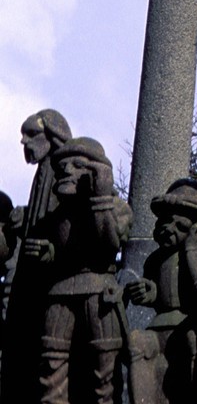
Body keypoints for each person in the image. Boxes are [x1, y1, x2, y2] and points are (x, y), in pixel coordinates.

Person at [24, 135, 132, 404]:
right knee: (51, 365)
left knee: (105, 369)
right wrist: (47, 252)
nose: (65, 170)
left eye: (75, 165)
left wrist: (100, 198)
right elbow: (61, 253)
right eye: (62, 166)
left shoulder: (116, 208)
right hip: (60, 294)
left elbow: (109, 245)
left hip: (99, 293)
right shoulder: (58, 216)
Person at [1, 108, 73, 404]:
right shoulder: (44, 171)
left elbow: (68, 223)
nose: (24, 142)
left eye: (31, 134)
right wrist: (25, 217)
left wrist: (54, 249)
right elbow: (43, 218)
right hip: (30, 277)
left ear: (51, 136)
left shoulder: (65, 170)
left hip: (49, 280)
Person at [124, 177, 197, 404]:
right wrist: (150, 291)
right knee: (137, 341)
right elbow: (157, 291)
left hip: (186, 327)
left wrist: (192, 248)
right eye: (164, 222)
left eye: (180, 225)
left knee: (193, 342)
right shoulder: (155, 260)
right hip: (159, 329)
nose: (168, 229)